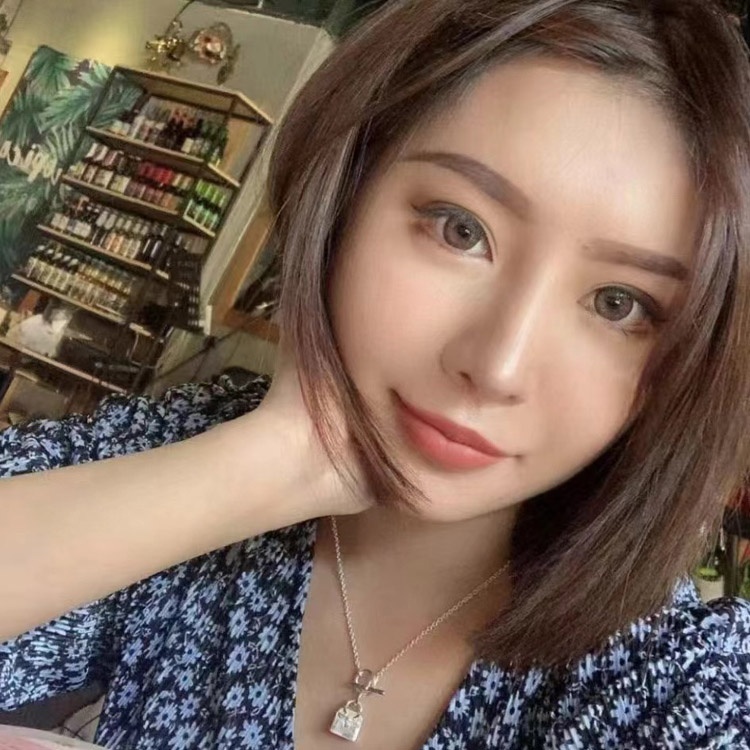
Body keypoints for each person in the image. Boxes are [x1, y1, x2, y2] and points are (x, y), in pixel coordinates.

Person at [1, 0, 750, 747]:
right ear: (343, 201)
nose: (497, 366)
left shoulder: (682, 683)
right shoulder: (192, 452)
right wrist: (276, 466)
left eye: (620, 305)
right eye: (461, 230)